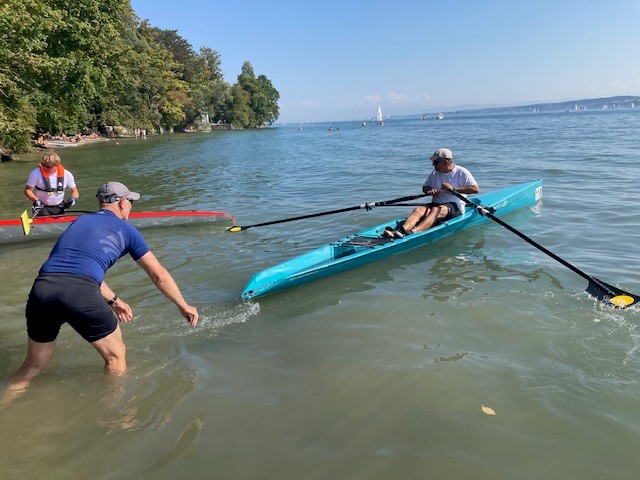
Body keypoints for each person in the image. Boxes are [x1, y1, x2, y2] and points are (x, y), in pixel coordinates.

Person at [6, 182, 199, 400]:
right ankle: (116, 417)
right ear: (122, 202)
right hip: (80, 292)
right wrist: (184, 305)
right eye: (131, 202)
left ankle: (5, 402)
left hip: (43, 289)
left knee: (32, 366)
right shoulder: (127, 230)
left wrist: (114, 300)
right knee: (116, 357)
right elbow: (159, 275)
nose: (131, 207)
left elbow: (78, 269)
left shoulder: (80, 222)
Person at [385, 148, 479, 238]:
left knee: (436, 210)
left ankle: (413, 232)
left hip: (455, 205)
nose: (433, 164)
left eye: (436, 162)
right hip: (436, 203)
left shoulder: (462, 172)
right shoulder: (434, 173)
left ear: (446, 162)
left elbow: (475, 189)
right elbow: (425, 187)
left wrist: (453, 189)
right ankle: (401, 231)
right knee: (419, 209)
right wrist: (429, 191)